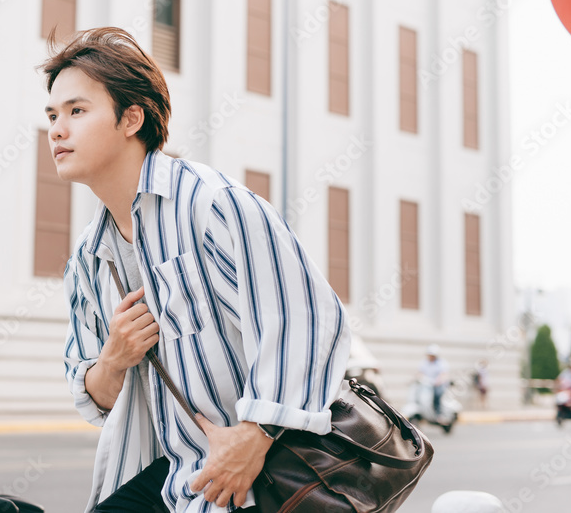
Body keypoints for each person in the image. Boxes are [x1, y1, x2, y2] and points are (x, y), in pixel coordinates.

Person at [42, 27, 350, 512]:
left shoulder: (212, 205)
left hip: (263, 469)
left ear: (131, 119)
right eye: (53, 115)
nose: (57, 130)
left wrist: (255, 437)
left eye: (77, 111)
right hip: (174, 471)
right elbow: (93, 395)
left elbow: (306, 320)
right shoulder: (88, 259)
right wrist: (114, 358)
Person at [418, 344, 449, 417]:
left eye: (432, 355)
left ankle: (439, 413)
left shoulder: (441, 363)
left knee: (437, 394)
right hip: (427, 385)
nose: (431, 357)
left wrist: (438, 381)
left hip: (437, 385)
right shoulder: (424, 362)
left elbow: (444, 374)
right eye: (429, 355)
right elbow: (419, 373)